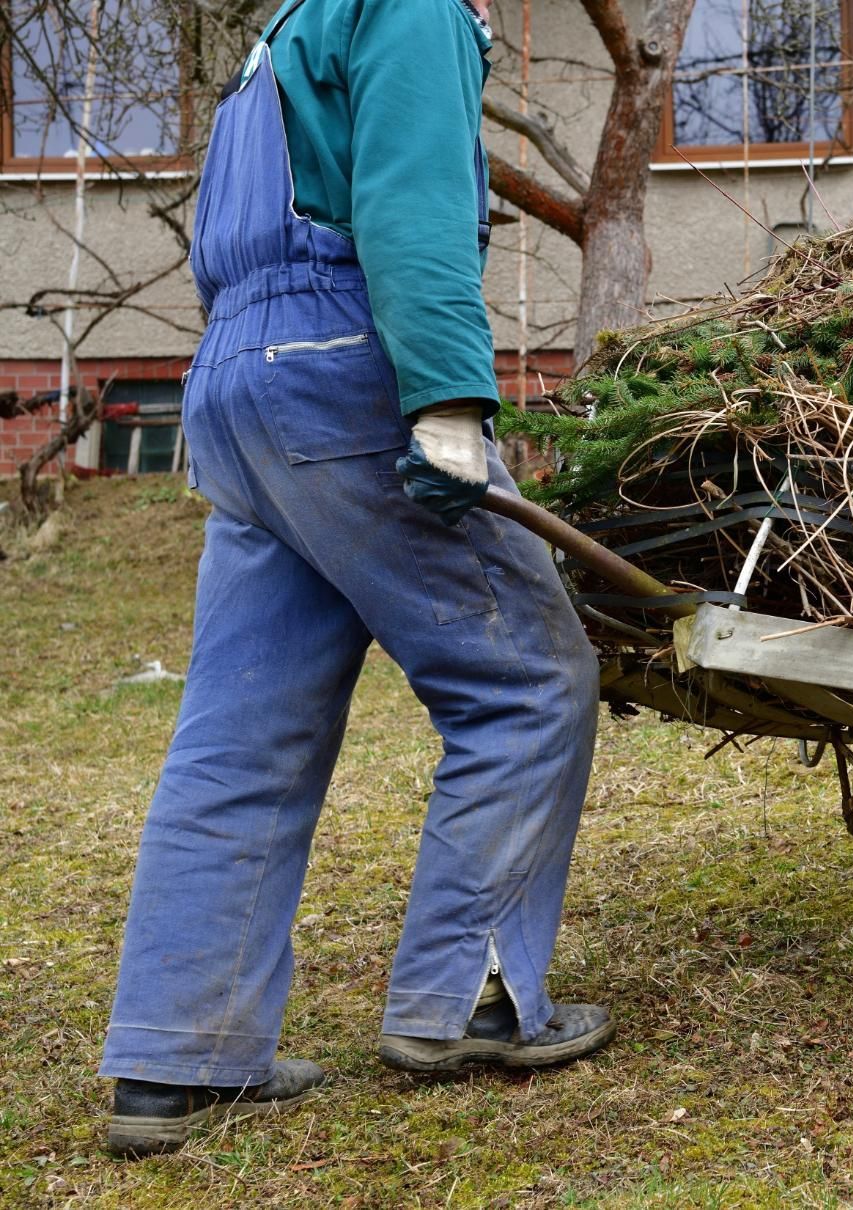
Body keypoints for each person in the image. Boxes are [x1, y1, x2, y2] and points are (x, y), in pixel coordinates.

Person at [99, 0, 609, 1159]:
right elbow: (410, 200)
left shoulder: (282, 31)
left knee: (241, 729)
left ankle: (173, 1053)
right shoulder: (410, 7)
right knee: (525, 678)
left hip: (233, 380)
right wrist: (443, 398)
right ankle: (464, 1002)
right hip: (344, 363)